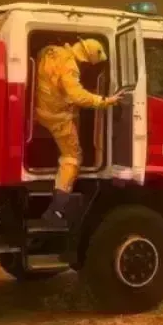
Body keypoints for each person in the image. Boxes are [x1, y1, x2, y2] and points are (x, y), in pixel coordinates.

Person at [34, 38, 123, 226]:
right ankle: (56, 210)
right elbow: (77, 96)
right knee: (73, 158)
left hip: (39, 111)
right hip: (57, 118)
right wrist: (105, 100)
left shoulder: (50, 51)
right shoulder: (70, 67)